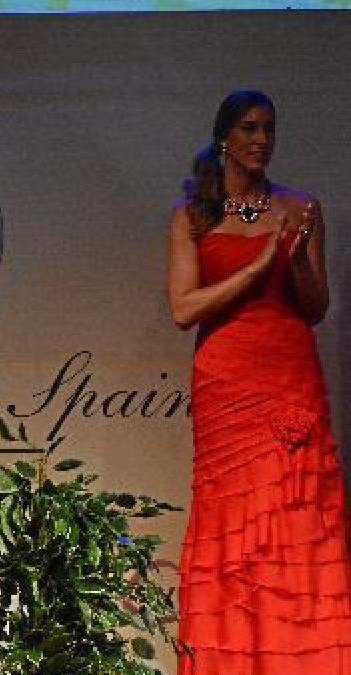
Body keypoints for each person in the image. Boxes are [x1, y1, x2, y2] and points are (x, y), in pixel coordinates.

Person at [168, 90, 351, 674]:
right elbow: (183, 308)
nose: (261, 140)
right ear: (225, 136)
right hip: (227, 384)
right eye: (249, 128)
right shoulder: (194, 213)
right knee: (234, 526)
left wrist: (293, 262)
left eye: (269, 129)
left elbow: (316, 307)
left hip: (288, 378)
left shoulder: (301, 209)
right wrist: (252, 268)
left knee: (293, 518)